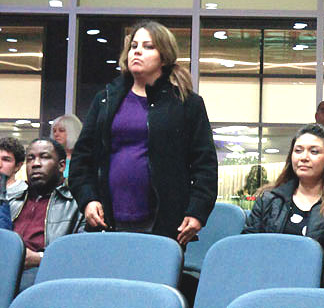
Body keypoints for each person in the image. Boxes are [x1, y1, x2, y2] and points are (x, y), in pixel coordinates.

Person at [68, 20, 218, 246]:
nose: (137, 51)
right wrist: (88, 200)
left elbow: (205, 165)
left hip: (164, 222)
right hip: (106, 220)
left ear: (164, 57)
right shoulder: (105, 99)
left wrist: (197, 212)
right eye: (133, 46)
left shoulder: (187, 103)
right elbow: (82, 159)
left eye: (148, 46)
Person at [243, 123, 324, 289]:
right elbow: (247, 248)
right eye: (298, 150)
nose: (303, 157)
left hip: (317, 292)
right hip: (267, 287)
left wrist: (305, 280)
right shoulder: (269, 199)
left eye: (314, 151)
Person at [8, 138, 84, 291]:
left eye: (44, 157)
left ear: (61, 165)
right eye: (30, 158)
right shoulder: (10, 199)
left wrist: (39, 258)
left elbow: (82, 256)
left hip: (45, 272)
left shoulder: (78, 204)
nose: (35, 164)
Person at [51, 114, 83, 180]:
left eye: (61, 130)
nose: (56, 134)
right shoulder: (51, 158)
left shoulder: (83, 158)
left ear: (73, 132)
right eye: (54, 131)